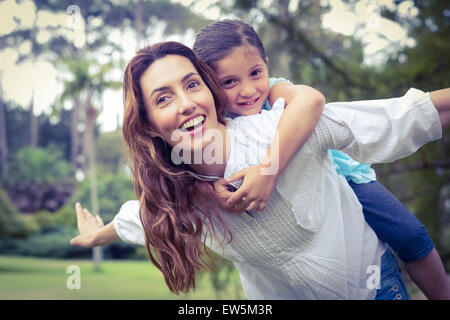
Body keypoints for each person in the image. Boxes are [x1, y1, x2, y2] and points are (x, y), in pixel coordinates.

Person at [71, 41, 450, 299]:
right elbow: (136, 218)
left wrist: (268, 167)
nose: (186, 104)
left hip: (374, 289)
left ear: (211, 92)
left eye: (192, 85)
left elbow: (405, 116)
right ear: (150, 124)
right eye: (164, 98)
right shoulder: (177, 198)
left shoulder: (283, 131)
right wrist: (95, 237)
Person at [191, 19, 450, 299]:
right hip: (295, 244)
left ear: (266, 63)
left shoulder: (274, 91)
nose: (249, 90)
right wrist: (206, 190)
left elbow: (311, 100)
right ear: (209, 85)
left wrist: (268, 170)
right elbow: (180, 176)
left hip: (342, 177)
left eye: (256, 72)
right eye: (229, 82)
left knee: (410, 234)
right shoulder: (211, 125)